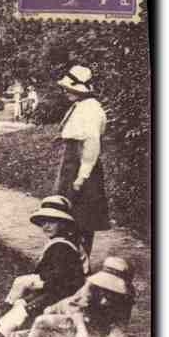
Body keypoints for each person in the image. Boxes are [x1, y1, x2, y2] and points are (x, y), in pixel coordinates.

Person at [0, 196, 86, 337]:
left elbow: (62, 279)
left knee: (25, 305)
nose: (46, 226)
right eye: (43, 222)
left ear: (63, 223)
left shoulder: (62, 246)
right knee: (22, 298)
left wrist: (35, 288)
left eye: (52, 222)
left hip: (68, 294)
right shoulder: (61, 241)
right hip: (57, 287)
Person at [54, 65, 110, 273]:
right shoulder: (80, 106)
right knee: (66, 213)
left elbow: (92, 144)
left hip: (82, 167)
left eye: (69, 88)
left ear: (80, 89)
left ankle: (81, 264)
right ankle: (68, 261)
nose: (66, 91)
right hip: (70, 165)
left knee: (83, 217)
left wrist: (82, 176)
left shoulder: (92, 109)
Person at [23, 256, 134, 337]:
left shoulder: (125, 297)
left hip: (94, 324)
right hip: (70, 314)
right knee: (42, 319)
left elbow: (121, 325)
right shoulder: (91, 286)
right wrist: (81, 329)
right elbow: (76, 308)